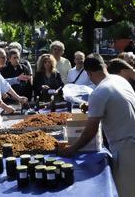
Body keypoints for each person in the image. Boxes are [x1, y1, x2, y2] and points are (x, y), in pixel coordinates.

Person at [59, 54, 135, 197]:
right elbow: (117, 103)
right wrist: (93, 107)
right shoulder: (119, 80)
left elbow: (90, 131)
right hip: (130, 140)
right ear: (104, 66)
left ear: (89, 73)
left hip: (127, 149)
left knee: (127, 191)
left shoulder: (99, 92)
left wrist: (72, 149)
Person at [0, 48, 28, 114]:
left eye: (6, 57)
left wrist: (19, 98)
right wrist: (6, 108)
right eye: (3, 57)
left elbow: (6, 85)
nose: (6, 59)